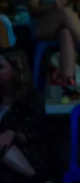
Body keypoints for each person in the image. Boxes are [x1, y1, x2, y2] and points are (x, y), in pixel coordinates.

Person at [0, 24, 47, 183]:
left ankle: (38, 180)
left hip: (30, 154)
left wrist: (13, 133)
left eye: (1, 67)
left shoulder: (30, 97)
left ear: (15, 69)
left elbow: (34, 132)